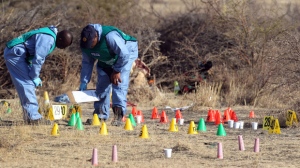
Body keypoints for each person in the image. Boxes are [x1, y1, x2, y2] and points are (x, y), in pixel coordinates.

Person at [3, 26, 73, 125]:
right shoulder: (49, 39)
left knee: (28, 83)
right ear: (60, 39)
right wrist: (34, 76)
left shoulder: (49, 34)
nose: (63, 48)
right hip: (16, 54)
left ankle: (30, 115)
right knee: (27, 84)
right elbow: (38, 59)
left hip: (19, 54)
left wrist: (33, 74)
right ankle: (33, 118)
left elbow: (32, 54)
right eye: (64, 45)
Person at [79, 24, 138, 126]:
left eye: (91, 43)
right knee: (102, 85)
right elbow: (87, 63)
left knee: (118, 83)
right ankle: (100, 116)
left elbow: (124, 55)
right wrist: (84, 81)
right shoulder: (85, 45)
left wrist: (116, 71)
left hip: (126, 52)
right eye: (88, 44)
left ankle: (118, 116)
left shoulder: (110, 36)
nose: (90, 46)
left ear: (96, 36)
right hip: (107, 58)